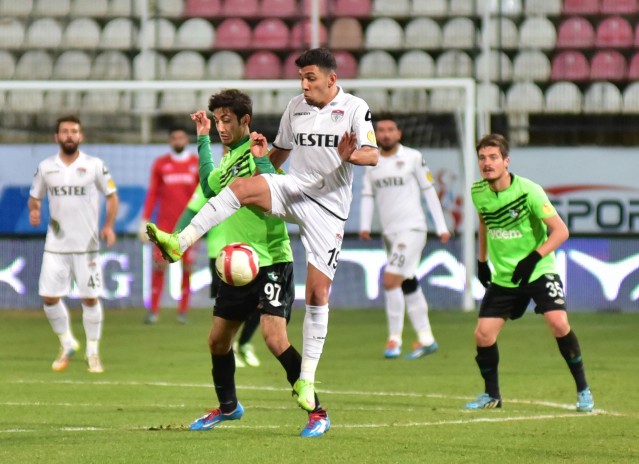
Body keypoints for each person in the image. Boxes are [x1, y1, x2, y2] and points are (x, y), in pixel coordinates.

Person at [146, 48, 379, 414]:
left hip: (329, 209)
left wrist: (351, 155)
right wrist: (260, 166)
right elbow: (279, 154)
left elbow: (372, 154)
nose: (304, 85)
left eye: (311, 78)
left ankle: (307, 379)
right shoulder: (295, 108)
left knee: (317, 294)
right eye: (301, 78)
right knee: (240, 188)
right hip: (296, 188)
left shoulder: (353, 108)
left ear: (331, 79)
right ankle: (179, 242)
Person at [175, 89, 329, 437]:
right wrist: (202, 139)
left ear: (244, 120)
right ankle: (229, 407)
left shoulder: (260, 150)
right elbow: (209, 187)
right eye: (217, 121)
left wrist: (263, 162)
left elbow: (280, 192)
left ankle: (317, 412)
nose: (221, 127)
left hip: (271, 260)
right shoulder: (228, 160)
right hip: (238, 265)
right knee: (217, 341)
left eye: (226, 120)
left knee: (274, 338)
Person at [466, 133, 594, 412]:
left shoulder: (529, 191)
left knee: (558, 323)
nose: (487, 163)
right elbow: (484, 222)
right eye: (482, 158)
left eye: (493, 157)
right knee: (483, 335)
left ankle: (583, 390)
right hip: (505, 276)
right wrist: (481, 260)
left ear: (506, 161)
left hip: (538, 271)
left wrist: (534, 257)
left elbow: (561, 231)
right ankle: (492, 395)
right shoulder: (478, 191)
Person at [28, 114, 119, 374]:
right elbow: (35, 197)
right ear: (56, 137)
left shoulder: (95, 165)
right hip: (55, 246)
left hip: (86, 246)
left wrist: (108, 225)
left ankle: (93, 352)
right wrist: (34, 210)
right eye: (65, 131)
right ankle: (67, 342)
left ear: (81, 136)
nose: (70, 135)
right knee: (48, 297)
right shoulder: (46, 167)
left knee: (89, 299)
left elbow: (112, 197)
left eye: (74, 131)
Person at [359, 114, 450, 360]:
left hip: (413, 229)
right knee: (407, 281)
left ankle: (394, 339)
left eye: (390, 129)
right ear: (375, 134)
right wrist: (365, 225)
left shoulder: (413, 157)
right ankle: (427, 339)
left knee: (390, 280)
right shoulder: (372, 161)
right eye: (381, 130)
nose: (386, 134)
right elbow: (367, 195)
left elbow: (429, 191)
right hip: (389, 232)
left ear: (399, 133)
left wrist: (441, 226)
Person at [139, 128, 199, 324]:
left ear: (186, 140)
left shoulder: (196, 164)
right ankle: (153, 310)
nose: (178, 141)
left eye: (181, 137)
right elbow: (152, 193)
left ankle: (183, 311)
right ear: (170, 141)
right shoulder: (161, 164)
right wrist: (145, 219)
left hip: (189, 226)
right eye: (174, 138)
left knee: (187, 267)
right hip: (164, 225)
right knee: (159, 265)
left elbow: (204, 194)